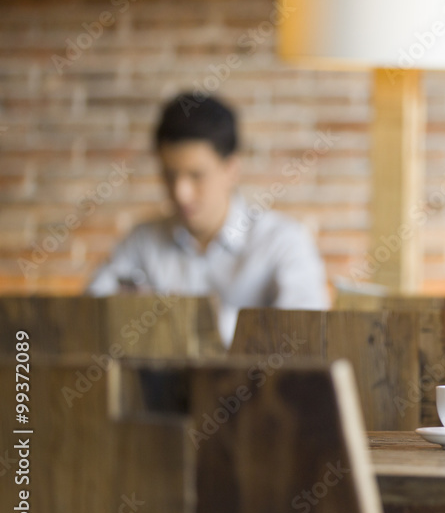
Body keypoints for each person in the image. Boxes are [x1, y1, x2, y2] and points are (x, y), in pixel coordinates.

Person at [87, 93, 330, 346]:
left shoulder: (283, 242)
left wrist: (178, 318)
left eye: (196, 175)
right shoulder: (142, 240)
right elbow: (90, 316)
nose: (181, 193)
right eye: (170, 175)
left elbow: (304, 337)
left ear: (231, 170)